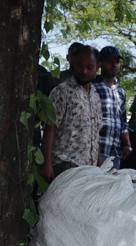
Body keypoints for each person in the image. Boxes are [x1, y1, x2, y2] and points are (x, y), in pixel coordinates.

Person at [39, 45, 102, 181]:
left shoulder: (96, 96)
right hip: (65, 166)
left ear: (98, 67)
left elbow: (95, 134)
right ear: (73, 64)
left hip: (89, 170)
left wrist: (99, 164)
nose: (84, 71)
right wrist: (46, 163)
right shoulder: (62, 92)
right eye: (80, 66)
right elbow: (50, 129)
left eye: (89, 67)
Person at [93, 46, 131, 169]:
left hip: (115, 152)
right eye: (110, 62)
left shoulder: (120, 91)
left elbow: (123, 122)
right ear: (100, 64)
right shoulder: (94, 86)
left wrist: (127, 144)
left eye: (117, 62)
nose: (114, 65)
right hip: (98, 148)